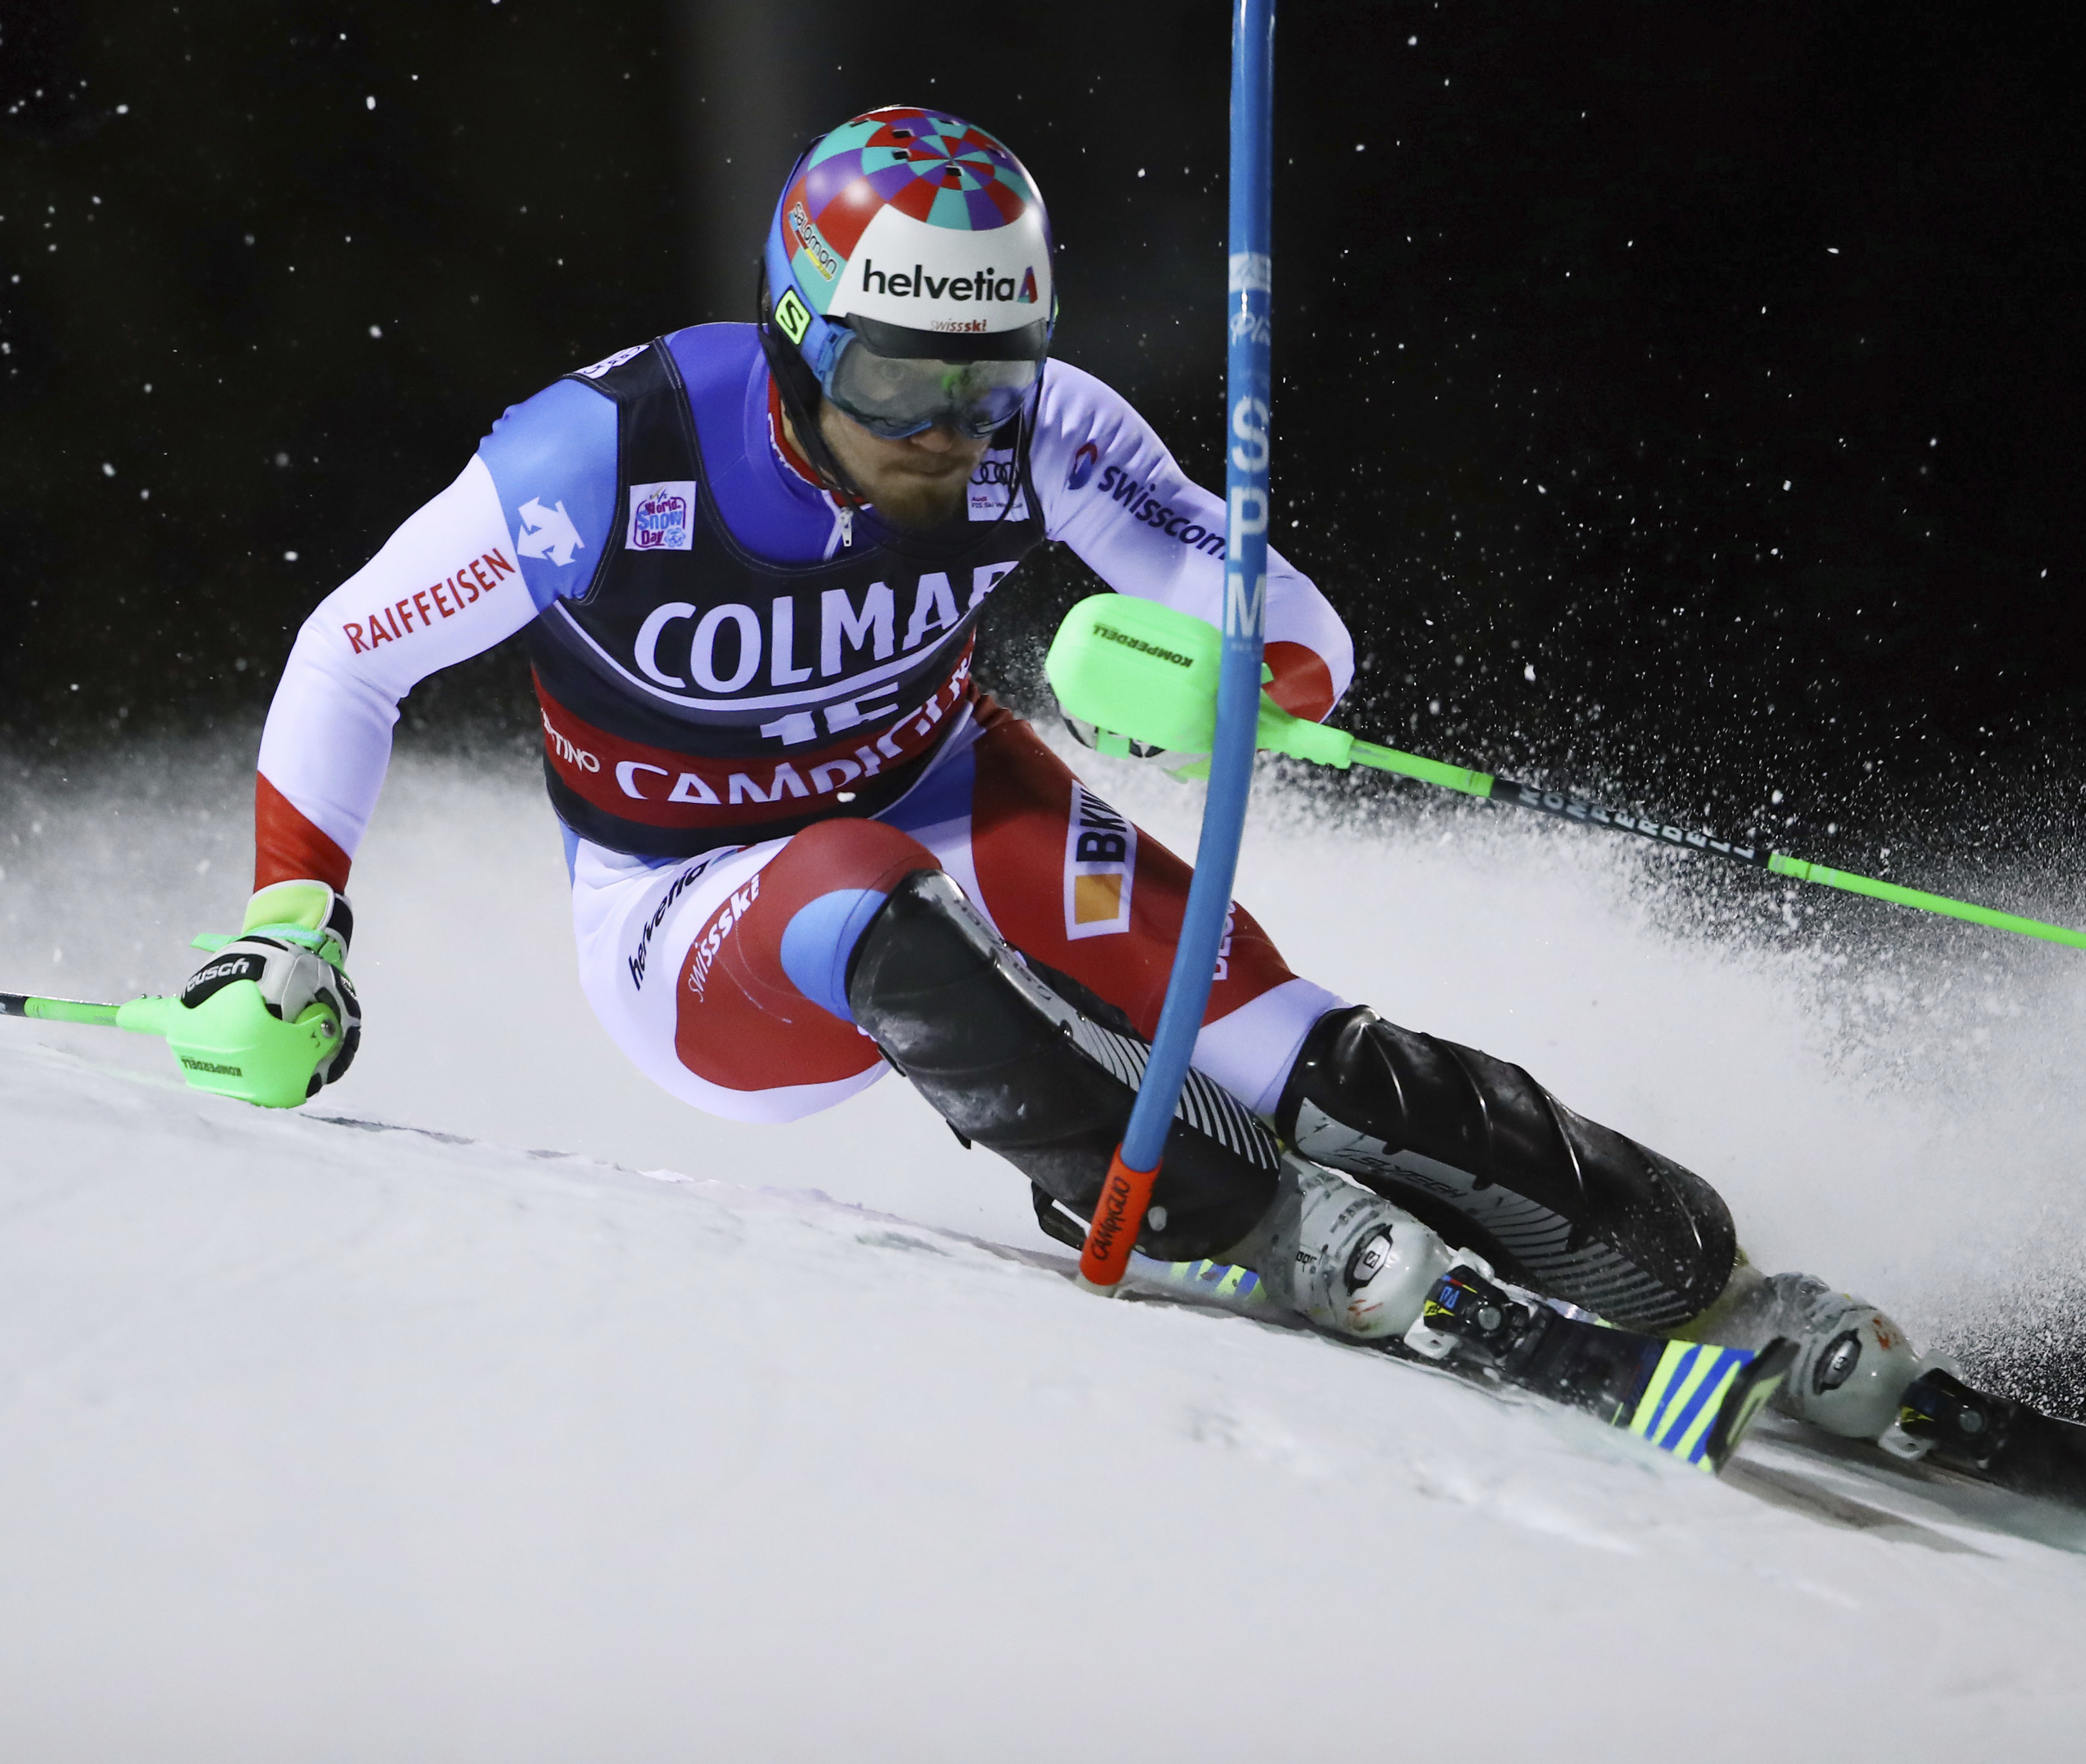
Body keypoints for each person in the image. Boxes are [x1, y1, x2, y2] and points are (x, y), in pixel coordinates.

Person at [190, 106, 1919, 1432]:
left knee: (1296, 1048)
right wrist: (295, 925)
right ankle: (1229, 1218)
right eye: (892, 378)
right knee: (867, 891)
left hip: (941, 778)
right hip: (689, 910)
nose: (942, 431)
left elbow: (1289, 624)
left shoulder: (1045, 432)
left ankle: (1700, 1272)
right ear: (795, 334)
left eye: (982, 379)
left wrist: (1242, 681)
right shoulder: (600, 456)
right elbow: (351, 651)